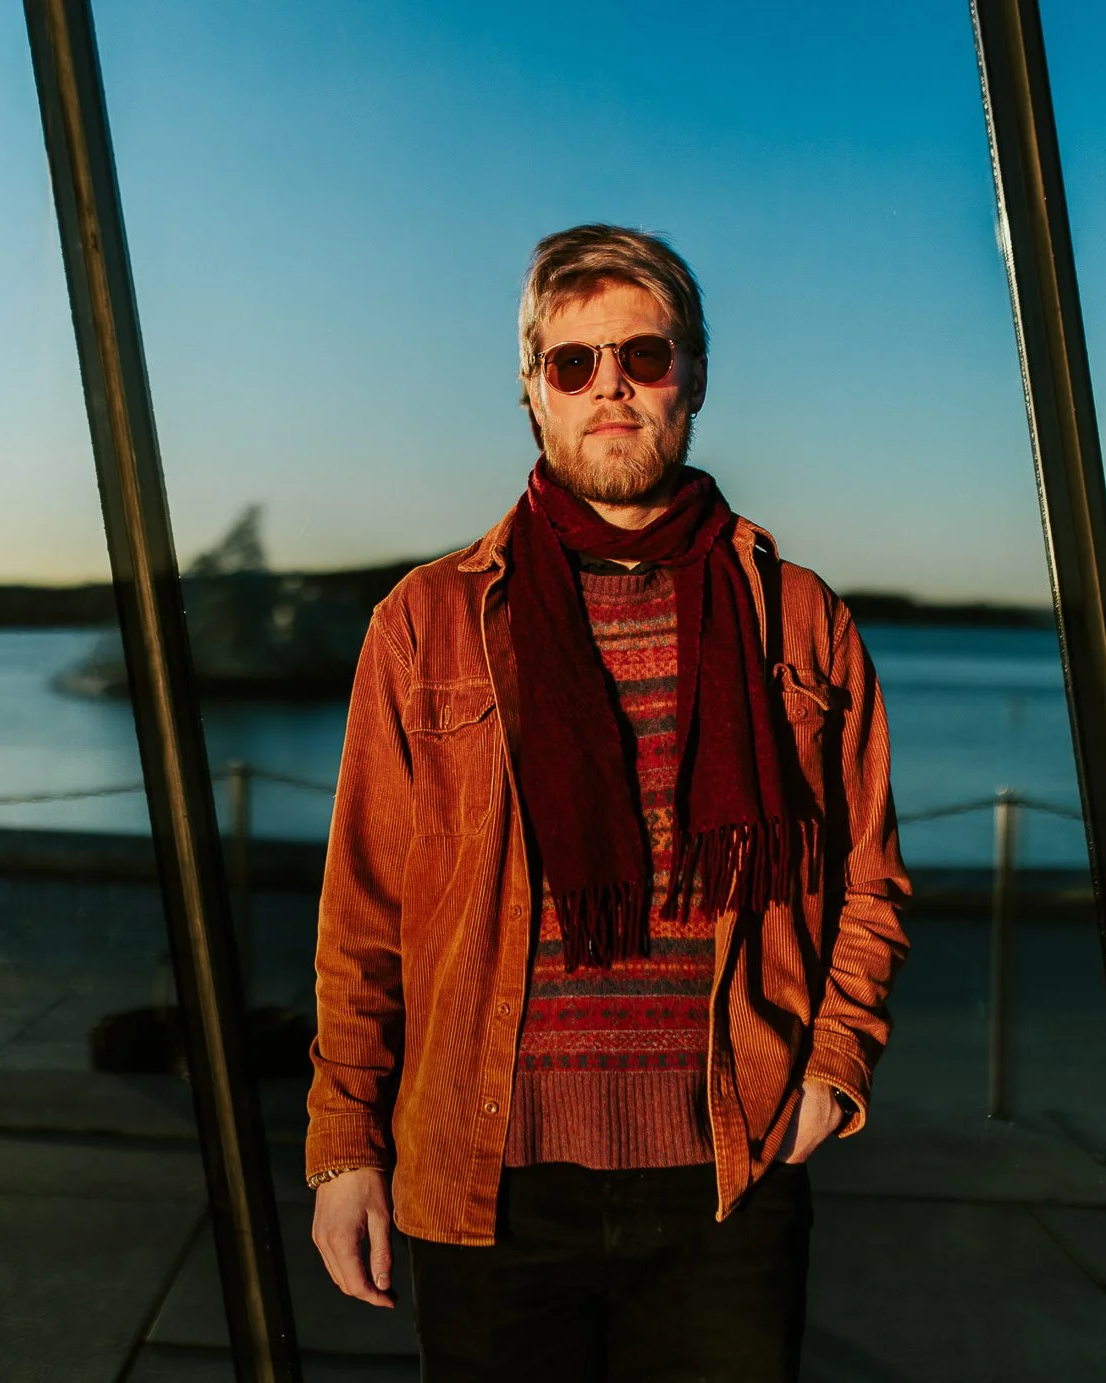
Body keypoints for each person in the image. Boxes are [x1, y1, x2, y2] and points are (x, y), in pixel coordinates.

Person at [306, 223, 910, 1382]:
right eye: (574, 363)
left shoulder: (800, 618)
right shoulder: (427, 621)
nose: (611, 388)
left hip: (729, 1170)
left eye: (644, 354)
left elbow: (868, 880)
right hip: (490, 1179)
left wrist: (833, 1071)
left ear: (695, 377)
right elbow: (363, 912)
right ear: (532, 392)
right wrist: (345, 1148)